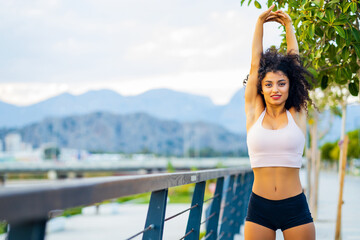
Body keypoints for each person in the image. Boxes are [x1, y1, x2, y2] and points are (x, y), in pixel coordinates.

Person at [243, 4, 316, 240]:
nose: (275, 89)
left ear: (289, 86)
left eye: (281, 83)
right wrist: (259, 24)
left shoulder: (297, 114)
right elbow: (255, 64)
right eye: (269, 84)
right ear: (261, 88)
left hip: (295, 207)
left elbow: (295, 66)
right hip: (259, 210)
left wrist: (289, 25)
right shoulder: (255, 113)